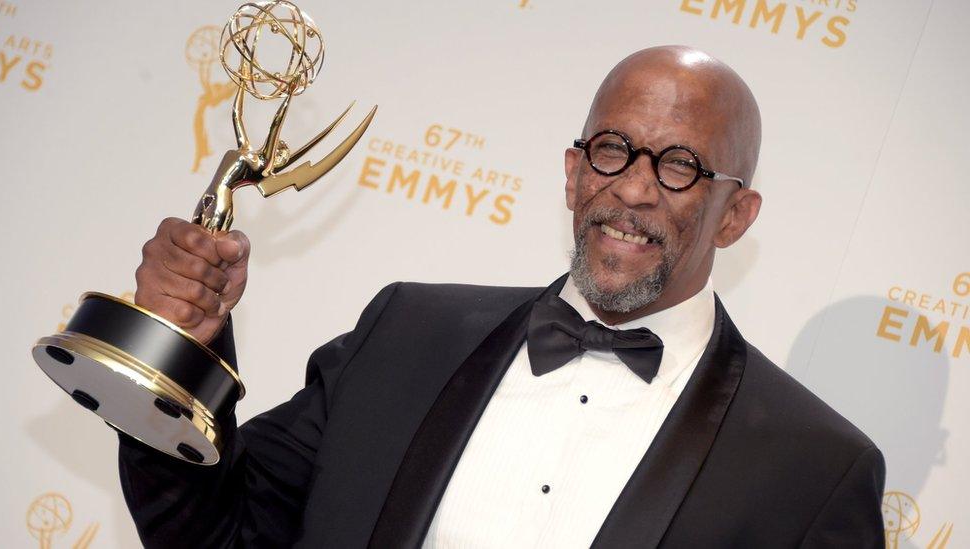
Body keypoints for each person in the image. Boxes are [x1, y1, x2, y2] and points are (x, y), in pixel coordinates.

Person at [120, 46, 886, 548]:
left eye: (680, 165)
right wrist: (176, 345)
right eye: (612, 149)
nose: (633, 187)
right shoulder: (405, 334)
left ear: (738, 215)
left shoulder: (814, 469)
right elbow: (216, 529)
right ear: (572, 170)